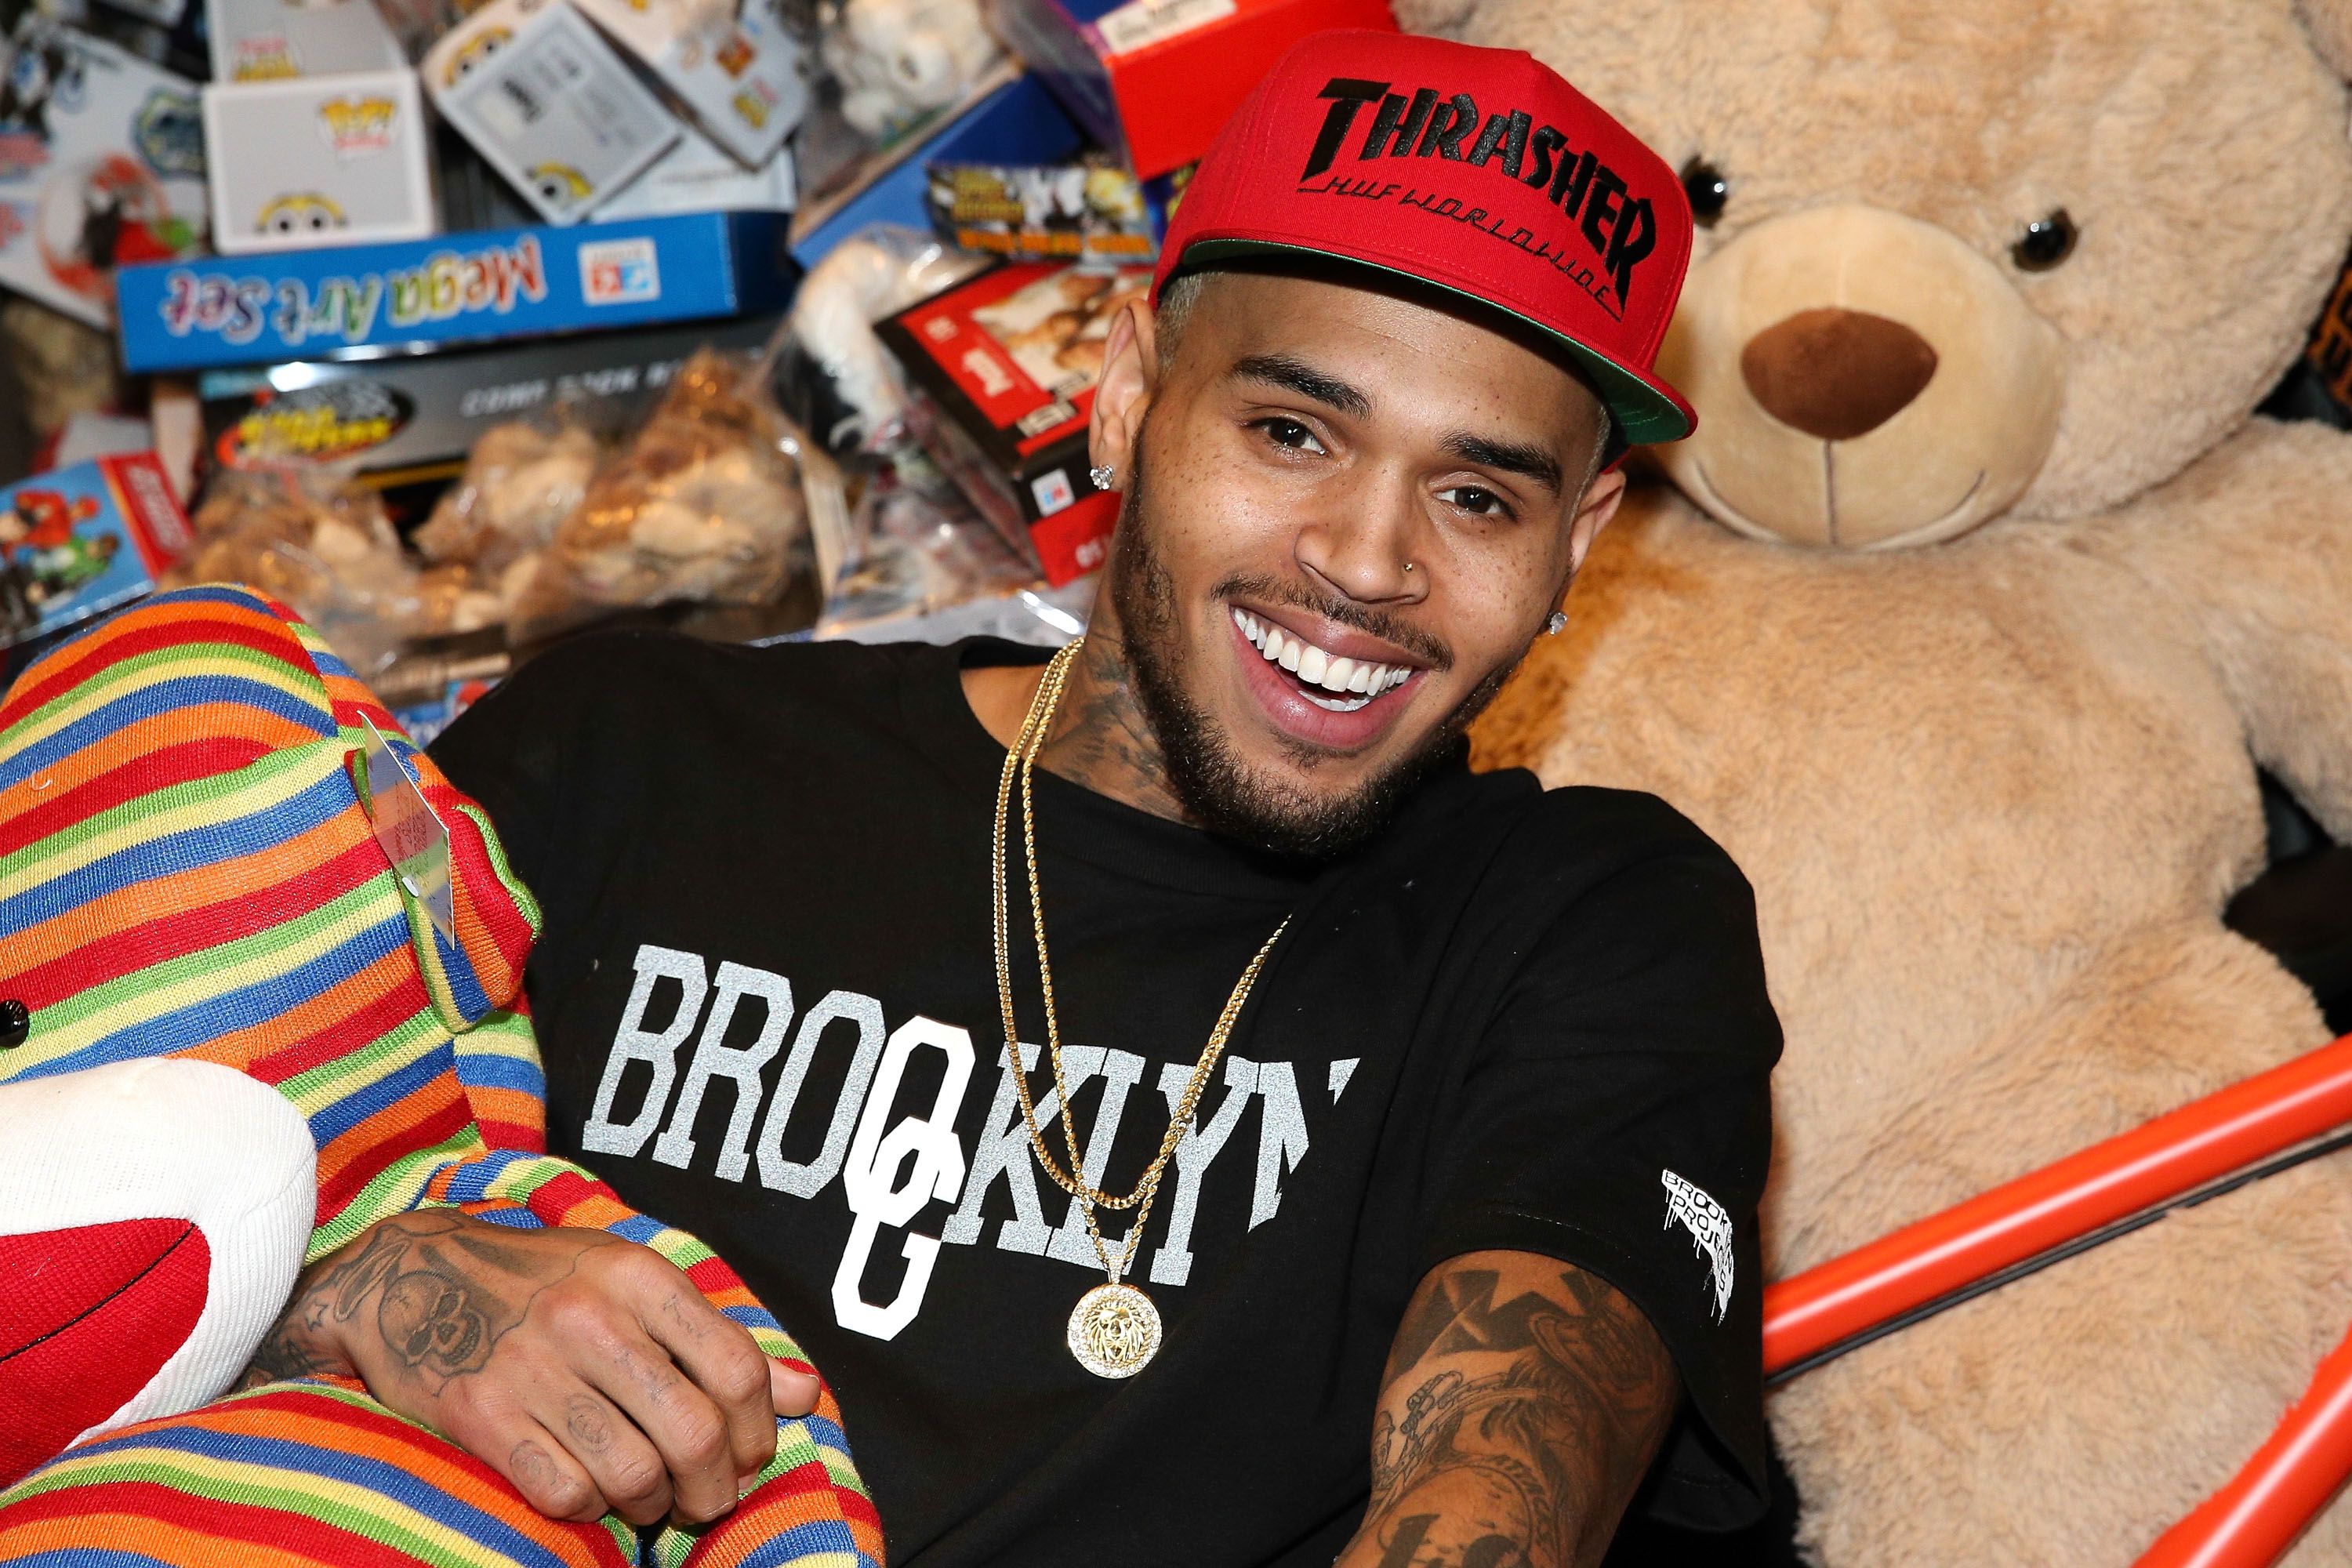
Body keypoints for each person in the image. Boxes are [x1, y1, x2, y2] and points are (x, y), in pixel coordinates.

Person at [263, 29, 1781, 1566]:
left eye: (1477, 495)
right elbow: (136, 1218)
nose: (1370, 561)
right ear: (1126, 393)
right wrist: (371, 1284)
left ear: (1579, 534)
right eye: (1291, 432)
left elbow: (1499, 1491)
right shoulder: (625, 752)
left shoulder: (1592, 931)